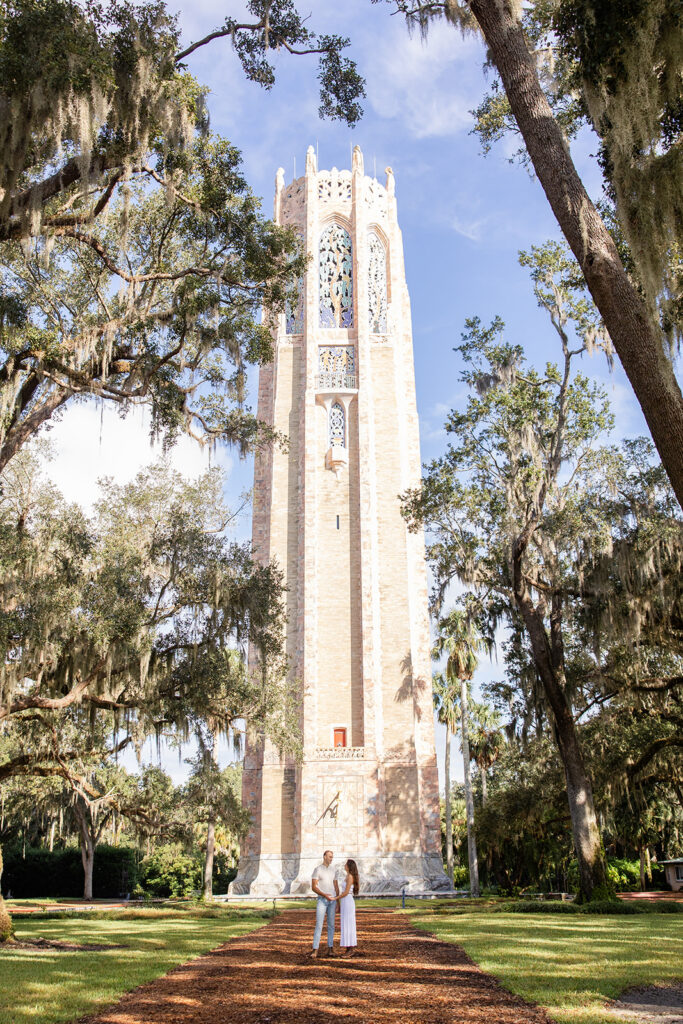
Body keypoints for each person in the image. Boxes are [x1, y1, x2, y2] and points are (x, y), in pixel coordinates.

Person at [309, 849, 339, 959]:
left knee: (331, 925)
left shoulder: (334, 870)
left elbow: (336, 886)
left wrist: (338, 901)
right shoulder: (317, 870)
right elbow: (314, 887)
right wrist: (324, 894)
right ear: (324, 857)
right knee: (319, 924)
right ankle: (315, 949)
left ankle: (330, 948)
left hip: (332, 900)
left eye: (332, 857)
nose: (331, 858)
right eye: (330, 856)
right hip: (322, 900)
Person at [338, 858, 359, 956]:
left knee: (349, 923)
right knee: (345, 923)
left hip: (348, 900)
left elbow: (346, 892)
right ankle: (347, 947)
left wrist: (336, 898)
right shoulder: (347, 876)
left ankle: (350, 948)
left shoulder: (350, 876)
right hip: (345, 901)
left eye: (346, 864)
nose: (344, 865)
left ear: (349, 866)